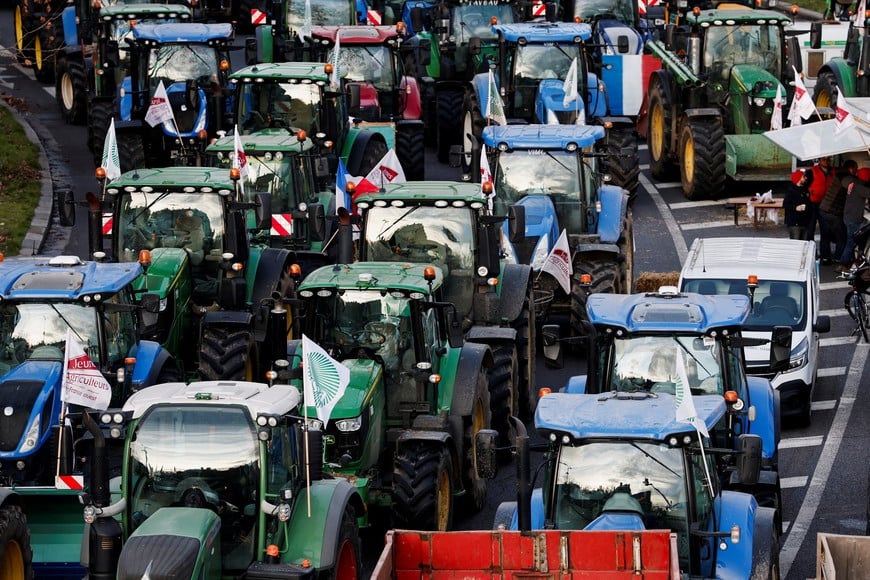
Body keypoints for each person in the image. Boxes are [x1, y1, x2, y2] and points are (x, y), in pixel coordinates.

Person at [818, 159, 853, 264]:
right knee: (842, 236)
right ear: (851, 169)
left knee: (825, 235)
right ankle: (839, 258)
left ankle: (825, 258)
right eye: (855, 169)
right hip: (833, 212)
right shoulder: (846, 179)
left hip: (823, 208)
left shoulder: (838, 175)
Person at [838, 166, 870, 271]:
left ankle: (849, 262)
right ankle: (843, 264)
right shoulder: (859, 187)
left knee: (851, 240)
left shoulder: (854, 184)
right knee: (852, 241)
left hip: (848, 216)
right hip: (853, 218)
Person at [808, 156, 835, 244]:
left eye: (828, 159)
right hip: (812, 203)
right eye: (824, 159)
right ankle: (811, 252)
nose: (826, 161)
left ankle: (825, 255)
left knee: (825, 229)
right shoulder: (812, 171)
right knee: (810, 229)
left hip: (826, 203)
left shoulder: (833, 171)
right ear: (819, 160)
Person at [784, 168, 812, 240]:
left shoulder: (805, 190)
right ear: (798, 178)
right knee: (796, 244)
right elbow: (785, 204)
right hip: (794, 223)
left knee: (804, 244)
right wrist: (795, 208)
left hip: (805, 222)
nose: (805, 178)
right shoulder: (791, 190)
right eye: (803, 176)